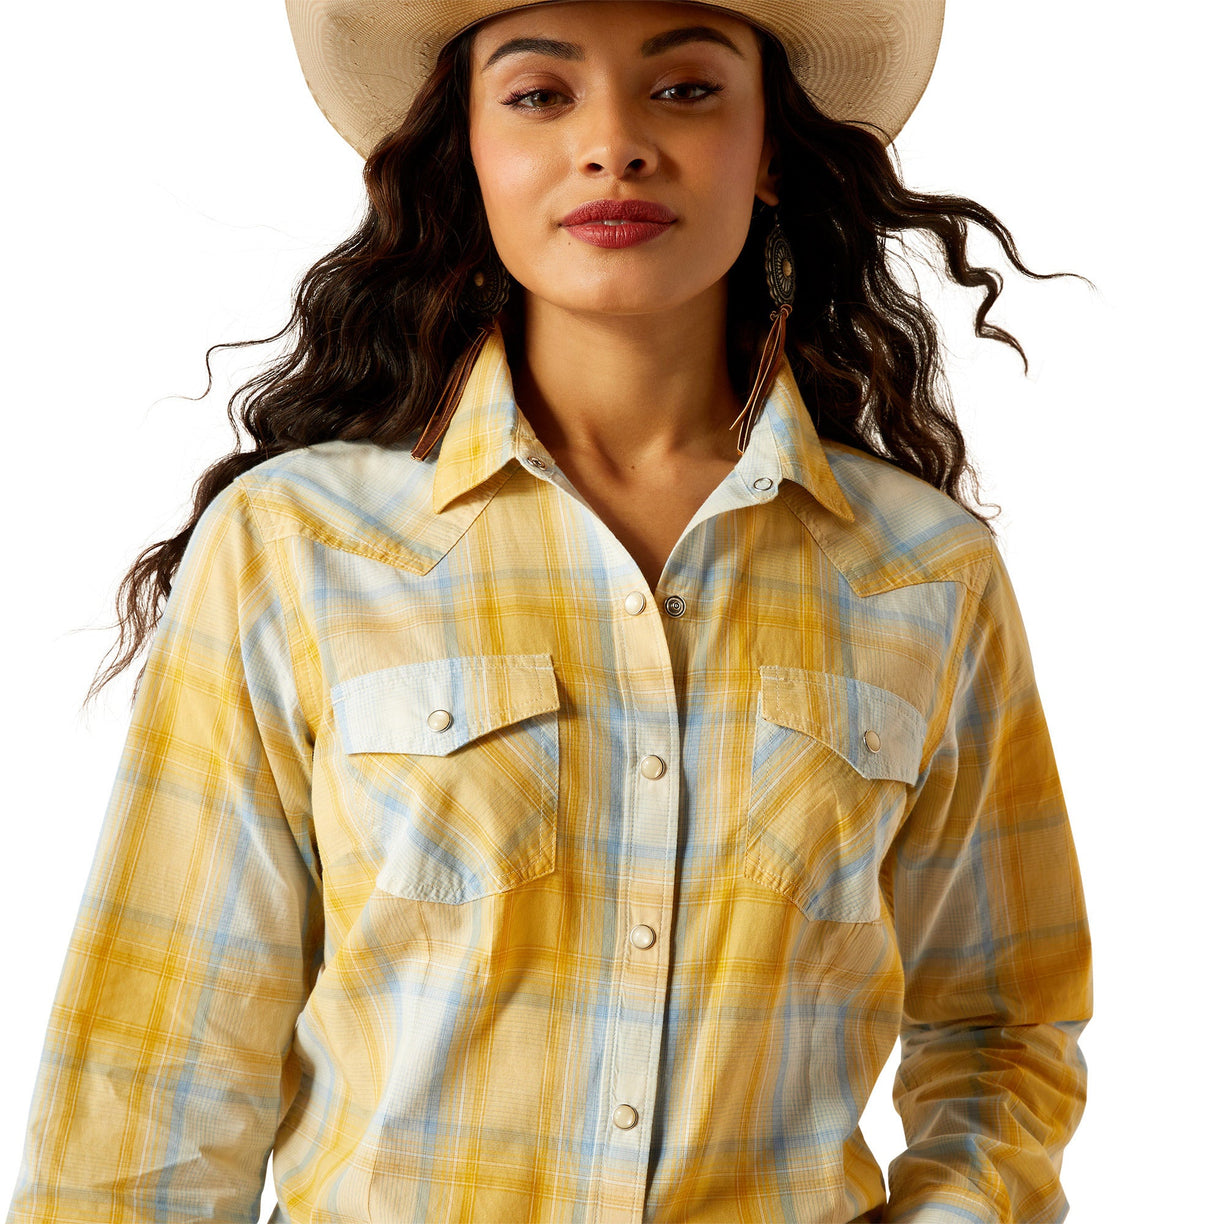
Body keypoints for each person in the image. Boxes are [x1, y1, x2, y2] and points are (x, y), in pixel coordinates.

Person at [6, 0, 1092, 1220]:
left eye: (684, 90)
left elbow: (1003, 1028)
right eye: (539, 94)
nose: (614, 143)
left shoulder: (924, 577)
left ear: (771, 146)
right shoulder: (296, 548)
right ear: (466, 149)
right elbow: (157, 1070)